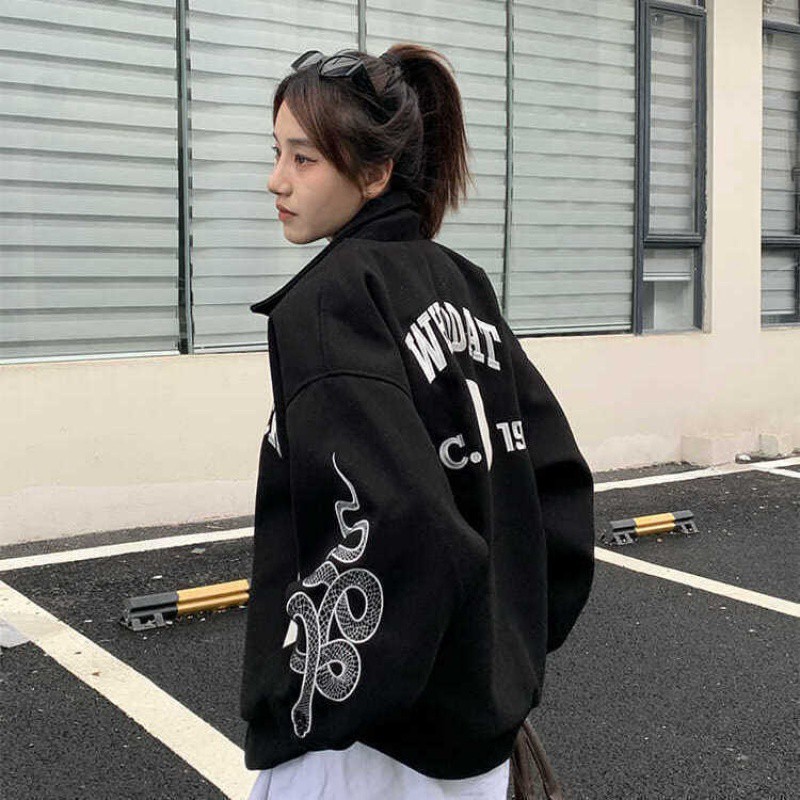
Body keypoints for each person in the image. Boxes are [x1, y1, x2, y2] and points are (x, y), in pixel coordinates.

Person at [240, 43, 595, 800]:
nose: (277, 180)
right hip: (476, 747)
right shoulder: (463, 283)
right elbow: (557, 487)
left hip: (367, 751)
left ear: (375, 173)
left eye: (303, 158)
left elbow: (404, 518)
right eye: (277, 153)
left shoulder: (330, 301)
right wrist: (504, 656)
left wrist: (316, 702)